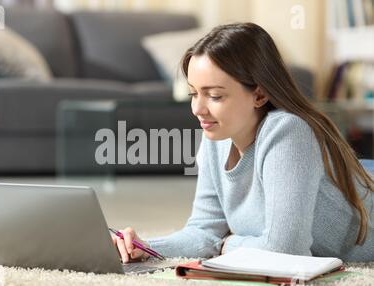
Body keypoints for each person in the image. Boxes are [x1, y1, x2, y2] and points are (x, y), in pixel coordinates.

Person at [111, 23, 374, 263]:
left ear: (258, 95)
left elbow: (286, 251)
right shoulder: (217, 137)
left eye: (214, 96)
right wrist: (144, 247)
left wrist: (229, 244)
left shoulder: (288, 131)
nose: (198, 109)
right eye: (193, 93)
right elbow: (203, 232)